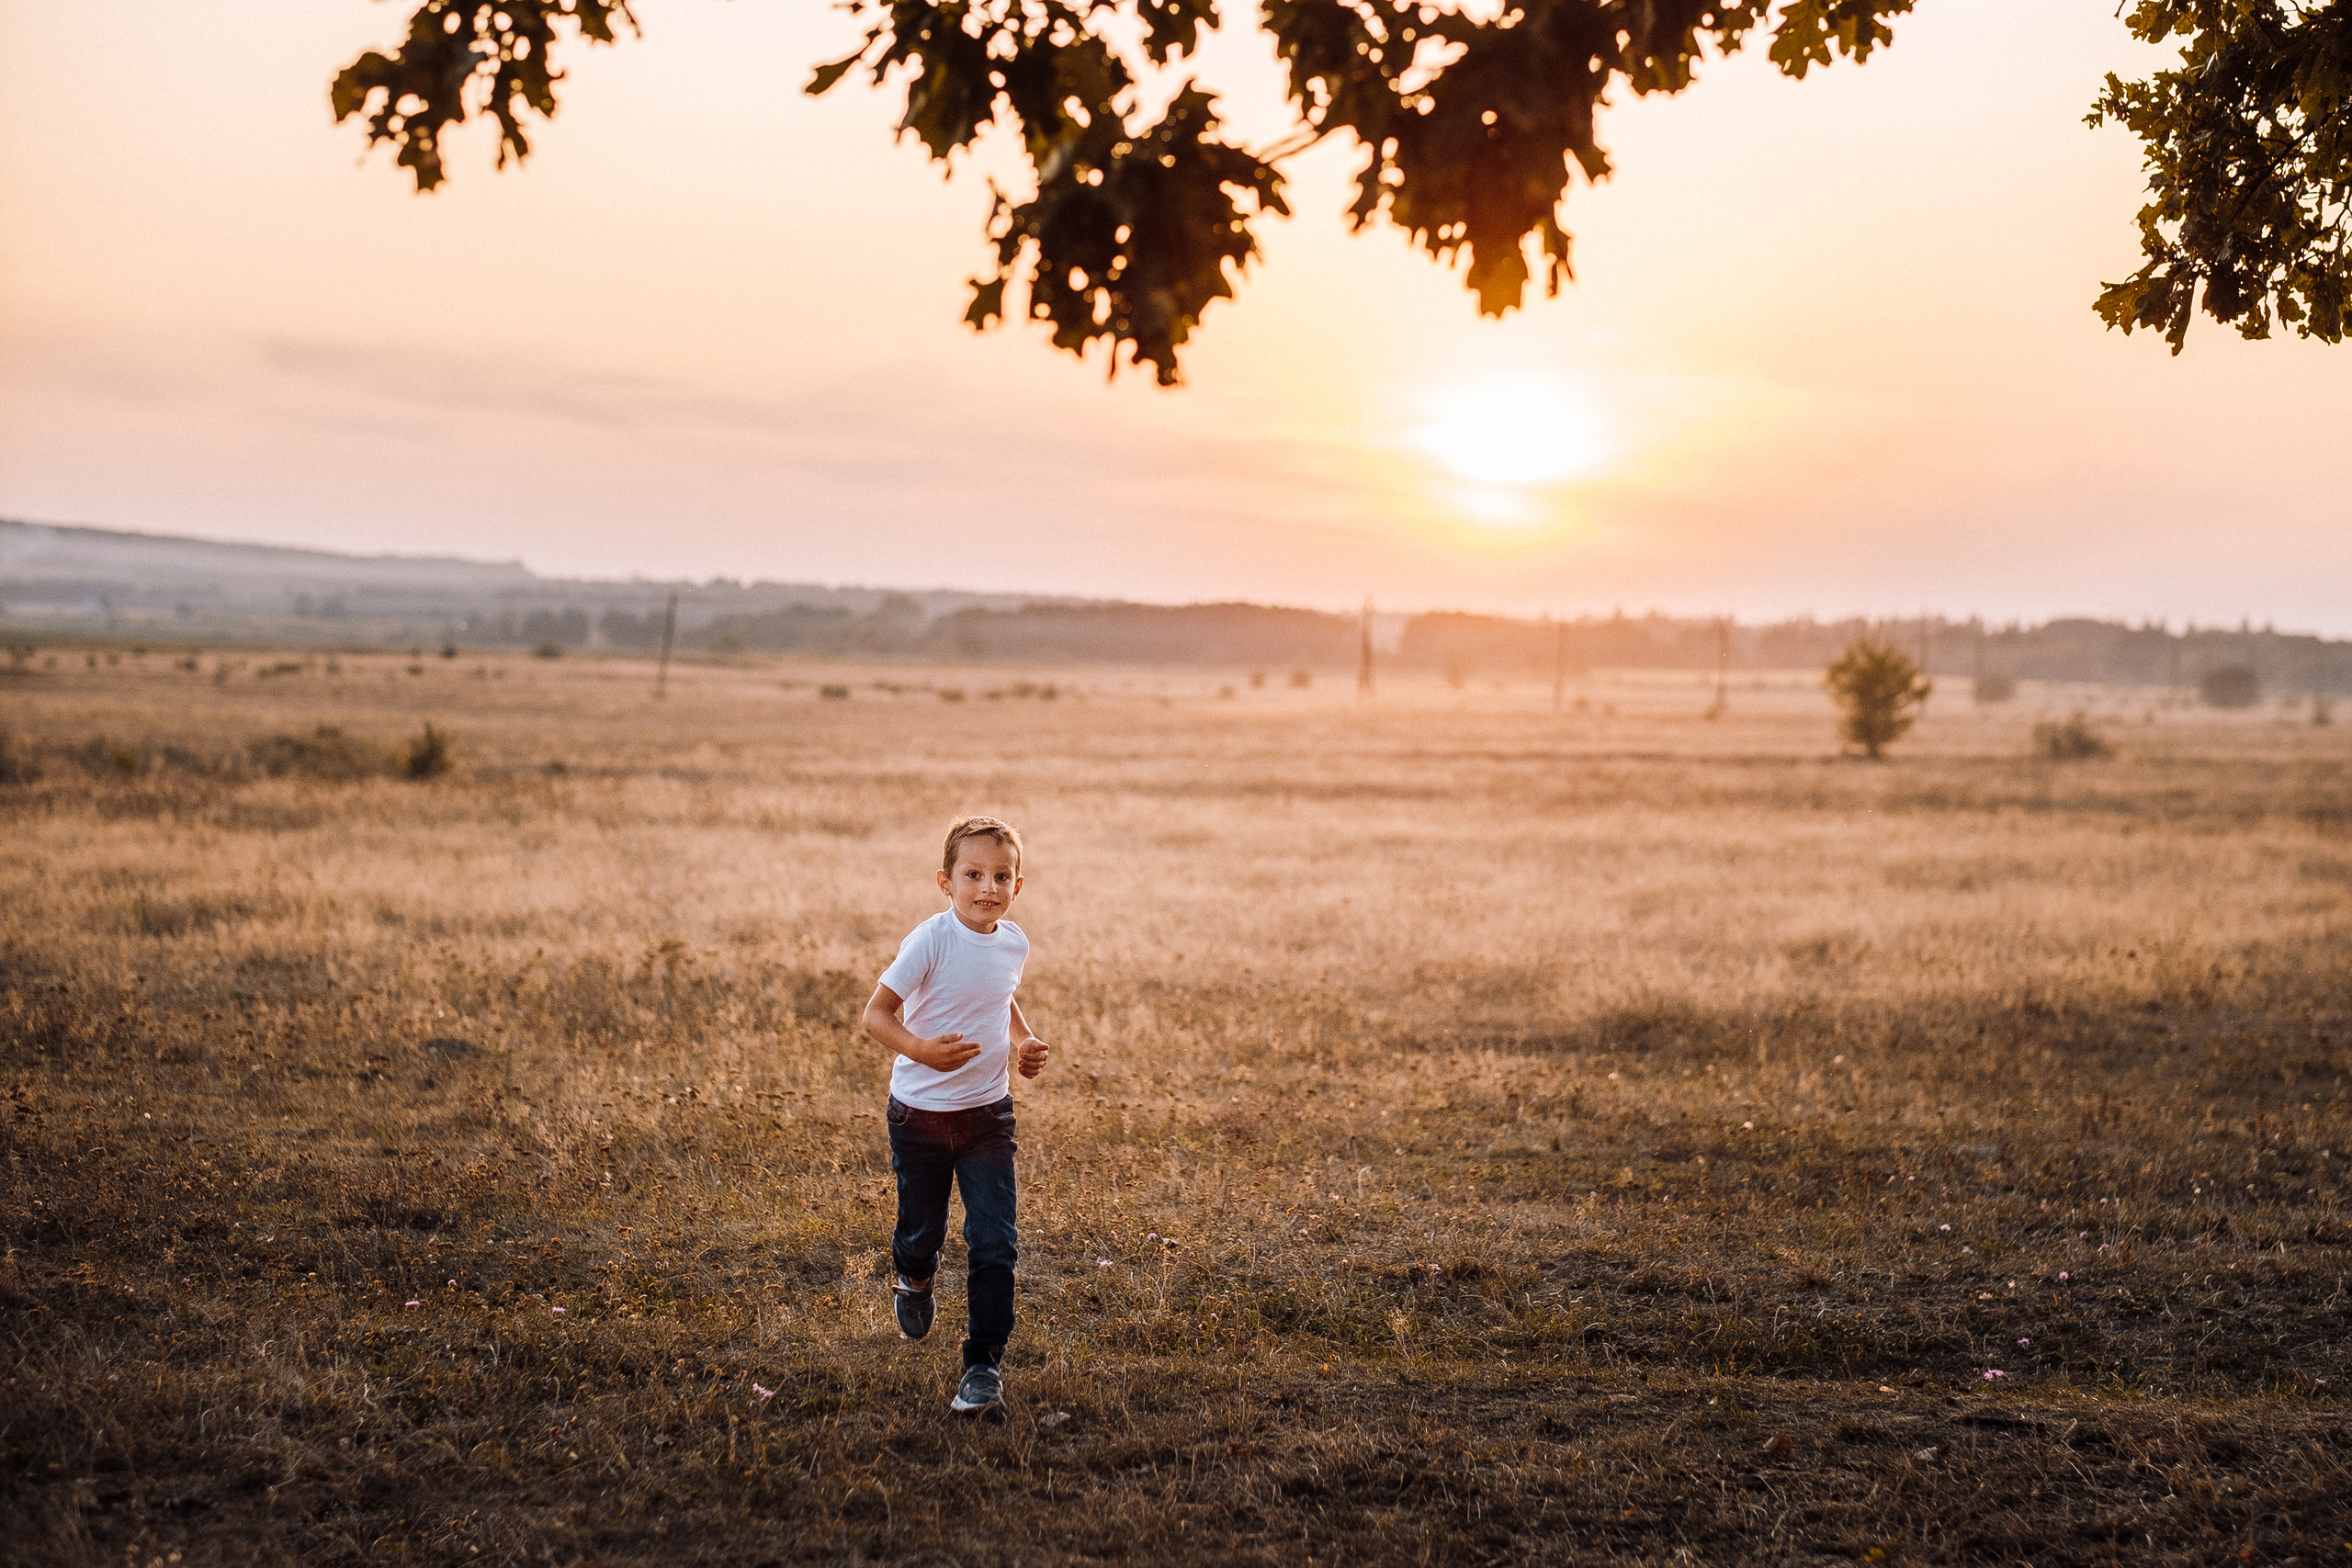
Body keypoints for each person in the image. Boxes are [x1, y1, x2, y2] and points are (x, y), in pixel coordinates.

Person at [860, 816, 1050, 1420]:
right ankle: (913, 1277)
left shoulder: (1013, 940)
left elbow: (1002, 992)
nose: (986, 886)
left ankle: (982, 1366)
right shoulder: (931, 940)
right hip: (920, 1116)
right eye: (973, 874)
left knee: (994, 1241)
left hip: (989, 1116)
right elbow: (876, 1014)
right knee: (922, 1232)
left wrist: (1022, 1040)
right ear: (946, 881)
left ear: (1018, 885)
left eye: (1001, 875)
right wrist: (920, 1049)